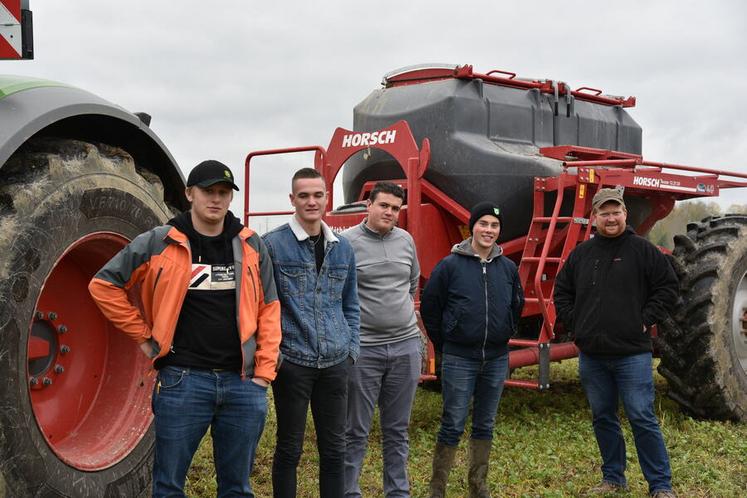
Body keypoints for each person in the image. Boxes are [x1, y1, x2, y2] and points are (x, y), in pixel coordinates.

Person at [88, 160, 281, 498]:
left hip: (242, 385)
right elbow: (104, 285)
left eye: (223, 193)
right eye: (208, 191)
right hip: (182, 381)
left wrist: (263, 374)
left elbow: (270, 309)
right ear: (190, 194)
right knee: (168, 486)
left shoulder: (251, 245)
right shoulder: (159, 242)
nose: (216, 199)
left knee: (238, 488)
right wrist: (145, 338)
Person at [553, 188, 679, 498]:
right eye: (604, 213)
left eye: (616, 212)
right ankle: (613, 478)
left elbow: (668, 287)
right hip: (593, 356)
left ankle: (660, 485)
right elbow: (562, 292)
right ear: (594, 218)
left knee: (641, 416)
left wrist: (645, 318)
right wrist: (576, 324)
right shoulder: (581, 254)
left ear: (625, 214)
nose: (611, 218)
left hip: (631, 355)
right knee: (603, 417)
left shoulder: (642, 250)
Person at [262, 167, 360, 498]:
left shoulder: (343, 249)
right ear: (292, 199)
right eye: (303, 195)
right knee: (289, 449)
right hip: (293, 362)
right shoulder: (272, 246)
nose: (311, 201)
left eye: (317, 195)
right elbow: (263, 305)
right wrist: (275, 353)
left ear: (327, 198)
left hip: (335, 362)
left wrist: (351, 352)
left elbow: (351, 305)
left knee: (335, 450)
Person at [420, 201, 524, 498]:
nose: (488, 230)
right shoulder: (450, 265)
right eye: (483, 224)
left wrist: (503, 333)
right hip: (459, 358)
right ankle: (437, 487)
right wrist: (447, 342)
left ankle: (478, 485)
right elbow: (431, 307)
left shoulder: (507, 268)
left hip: (495, 357)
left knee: (485, 422)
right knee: (452, 422)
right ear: (472, 227)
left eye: (494, 226)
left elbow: (515, 305)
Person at [340, 182, 422, 498]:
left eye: (395, 208)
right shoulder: (347, 244)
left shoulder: (406, 241)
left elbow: (411, 284)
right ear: (368, 206)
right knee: (355, 431)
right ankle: (348, 491)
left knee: (397, 430)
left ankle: (398, 492)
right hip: (364, 350)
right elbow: (340, 294)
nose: (389, 212)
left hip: (405, 347)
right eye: (384, 205)